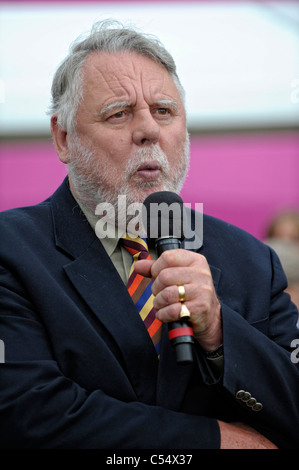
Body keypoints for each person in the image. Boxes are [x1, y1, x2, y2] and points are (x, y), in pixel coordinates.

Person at [0, 19, 298, 450]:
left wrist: (218, 332)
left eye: (164, 111)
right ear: (63, 137)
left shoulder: (251, 260)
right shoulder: (12, 251)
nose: (149, 130)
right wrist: (212, 442)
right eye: (119, 113)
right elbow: (29, 412)